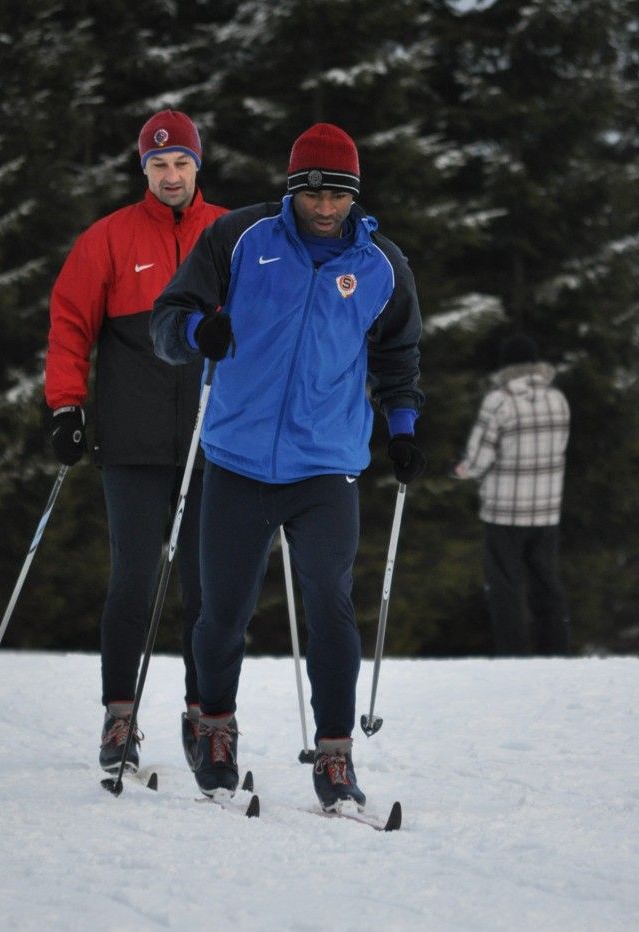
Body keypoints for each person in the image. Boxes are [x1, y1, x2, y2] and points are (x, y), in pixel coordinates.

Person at [151, 122, 425, 811]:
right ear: (291, 189)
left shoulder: (381, 265)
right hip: (238, 459)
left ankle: (335, 754)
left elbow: (399, 358)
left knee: (332, 608)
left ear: (355, 196)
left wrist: (404, 429)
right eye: (313, 193)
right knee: (223, 611)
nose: (326, 207)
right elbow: (169, 317)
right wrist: (195, 331)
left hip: (326, 464)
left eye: (338, 194)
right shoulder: (240, 240)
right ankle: (213, 725)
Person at [44, 110, 227, 774]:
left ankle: (206, 717)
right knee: (134, 581)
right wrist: (66, 404)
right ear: (142, 169)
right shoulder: (109, 239)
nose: (170, 176)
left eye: (181, 163)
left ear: (197, 166)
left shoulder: (232, 234)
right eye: (158, 165)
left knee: (210, 589)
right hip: (132, 439)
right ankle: (120, 717)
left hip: (217, 442)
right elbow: (69, 323)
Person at [452, 333, 571, 655]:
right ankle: (557, 650)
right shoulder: (557, 399)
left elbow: (478, 459)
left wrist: (462, 469)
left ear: (506, 366)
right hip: (546, 510)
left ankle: (513, 655)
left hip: (504, 511)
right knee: (546, 580)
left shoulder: (499, 401)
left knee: (505, 585)